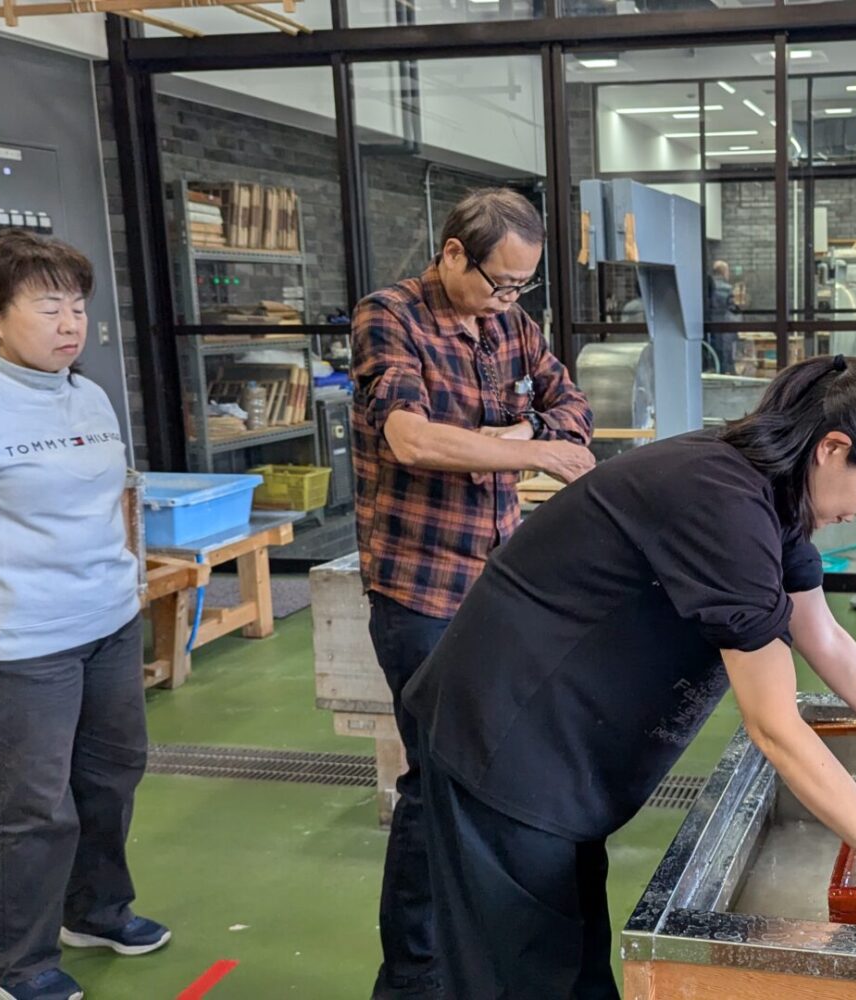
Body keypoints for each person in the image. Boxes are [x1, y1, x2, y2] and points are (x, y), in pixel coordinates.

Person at [403, 354, 856, 998]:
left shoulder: (773, 487)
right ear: (833, 449)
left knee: (567, 957)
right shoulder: (722, 503)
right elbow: (774, 727)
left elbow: (822, 634)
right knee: (523, 971)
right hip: (506, 731)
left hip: (559, 737)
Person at [350, 188, 596, 1000]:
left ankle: (475, 955)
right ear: (454, 252)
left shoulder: (510, 325)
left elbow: (572, 407)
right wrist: (533, 450)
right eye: (500, 282)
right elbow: (412, 439)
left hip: (498, 580)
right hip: (421, 588)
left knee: (494, 770)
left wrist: (519, 433)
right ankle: (412, 974)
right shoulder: (390, 317)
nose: (510, 299)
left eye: (523, 285)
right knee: (435, 780)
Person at [0, 232, 170, 1000]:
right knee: (32, 805)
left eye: (78, 307)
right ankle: (12, 962)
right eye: (47, 307)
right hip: (23, 641)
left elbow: (113, 499)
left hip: (109, 621)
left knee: (111, 776)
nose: (70, 324)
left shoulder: (87, 395)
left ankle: (94, 911)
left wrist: (128, 582)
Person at [705, 259, 740, 374]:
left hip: (710, 324)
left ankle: (716, 370)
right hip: (724, 325)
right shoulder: (727, 288)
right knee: (725, 352)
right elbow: (733, 308)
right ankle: (725, 373)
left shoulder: (706, 286)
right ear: (724, 272)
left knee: (714, 351)